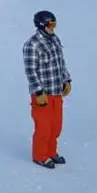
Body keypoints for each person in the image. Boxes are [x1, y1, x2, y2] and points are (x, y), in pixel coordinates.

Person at [23, 10, 72, 169]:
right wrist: (38, 91)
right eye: (50, 24)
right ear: (41, 25)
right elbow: (31, 70)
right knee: (43, 127)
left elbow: (60, 62)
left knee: (56, 125)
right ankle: (40, 155)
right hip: (43, 94)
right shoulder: (32, 44)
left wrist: (66, 79)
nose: (53, 28)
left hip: (56, 90)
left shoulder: (54, 39)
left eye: (55, 24)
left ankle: (51, 152)